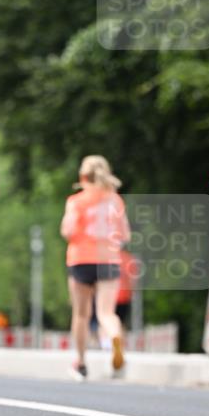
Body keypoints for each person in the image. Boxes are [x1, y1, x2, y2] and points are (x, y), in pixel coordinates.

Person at [60, 155, 131, 380]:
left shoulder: (76, 201)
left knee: (81, 314)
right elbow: (126, 234)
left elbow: (68, 231)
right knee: (106, 313)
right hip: (109, 259)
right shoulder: (115, 201)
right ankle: (114, 338)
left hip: (81, 259)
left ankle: (80, 362)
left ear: (82, 177)